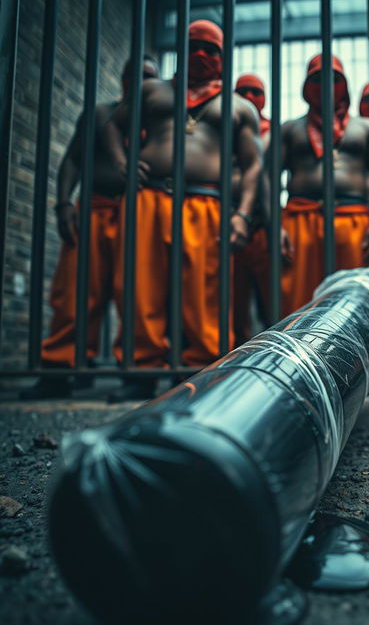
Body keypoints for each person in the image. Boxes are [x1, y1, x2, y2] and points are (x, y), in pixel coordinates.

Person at [103, 20, 262, 401]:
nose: (202, 55)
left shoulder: (238, 106)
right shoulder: (152, 92)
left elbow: (254, 164)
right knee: (140, 283)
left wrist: (242, 214)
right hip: (149, 199)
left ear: (224, 58)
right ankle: (141, 368)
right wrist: (122, 161)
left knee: (205, 288)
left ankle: (203, 368)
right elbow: (111, 125)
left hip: (206, 203)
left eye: (212, 49)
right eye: (194, 46)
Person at [20, 55, 160, 400]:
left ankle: (138, 373)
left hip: (139, 217)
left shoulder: (161, 123)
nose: (142, 83)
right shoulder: (100, 114)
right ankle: (60, 369)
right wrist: (64, 202)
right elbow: (72, 159)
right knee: (77, 292)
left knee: (140, 295)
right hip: (95, 210)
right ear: (124, 78)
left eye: (150, 77)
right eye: (137, 75)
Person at [278, 54, 369, 317]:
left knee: (355, 297)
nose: (326, 85)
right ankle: (296, 357)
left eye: (334, 79)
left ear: (345, 85)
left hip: (355, 220)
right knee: (296, 301)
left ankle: (354, 356)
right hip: (300, 219)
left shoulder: (366, 127)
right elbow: (269, 179)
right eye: (317, 79)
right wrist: (277, 225)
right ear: (306, 87)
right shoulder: (290, 129)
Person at [232, 74, 270, 346]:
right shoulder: (227, 123)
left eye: (256, 92)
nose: (249, 97)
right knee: (231, 301)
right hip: (229, 222)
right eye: (243, 91)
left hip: (263, 224)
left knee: (272, 300)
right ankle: (232, 362)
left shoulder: (273, 130)